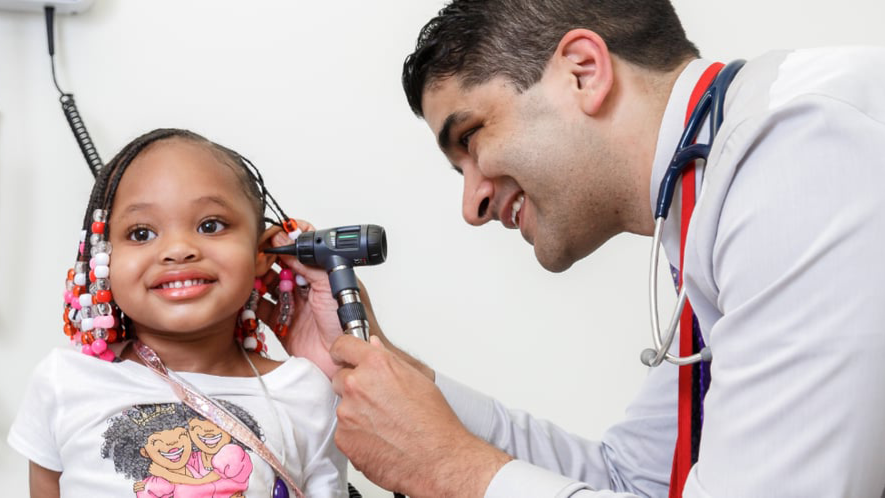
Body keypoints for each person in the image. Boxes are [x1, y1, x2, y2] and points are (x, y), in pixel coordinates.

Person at [296, 0, 885, 496]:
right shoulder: (709, 193)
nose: (471, 205)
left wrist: (450, 469)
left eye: (471, 137)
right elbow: (632, 480)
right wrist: (387, 371)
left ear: (583, 70)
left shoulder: (803, 147)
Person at [7, 128, 347, 497]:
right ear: (101, 261)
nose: (178, 249)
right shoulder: (63, 382)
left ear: (262, 253)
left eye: (210, 225)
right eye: (140, 233)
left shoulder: (306, 391)